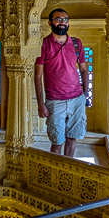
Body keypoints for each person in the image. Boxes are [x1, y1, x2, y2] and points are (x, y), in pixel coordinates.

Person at [34, 8, 89, 157]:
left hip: (77, 99)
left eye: (65, 20)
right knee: (57, 141)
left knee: (72, 138)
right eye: (58, 19)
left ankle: (67, 174)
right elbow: (37, 77)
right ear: (50, 22)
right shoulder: (44, 44)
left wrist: (85, 94)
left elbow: (84, 70)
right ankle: (55, 177)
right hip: (55, 101)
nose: (62, 23)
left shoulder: (76, 44)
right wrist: (41, 104)